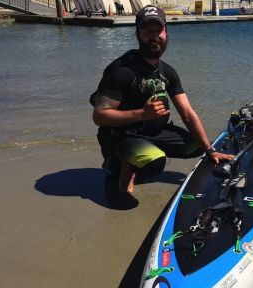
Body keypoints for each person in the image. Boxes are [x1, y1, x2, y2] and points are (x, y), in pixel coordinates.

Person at [91, 5, 234, 205]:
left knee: (196, 146)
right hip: (121, 135)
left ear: (166, 32)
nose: (154, 36)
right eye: (147, 31)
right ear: (137, 34)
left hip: (154, 132)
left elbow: (187, 114)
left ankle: (143, 156)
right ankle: (124, 164)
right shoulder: (121, 70)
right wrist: (142, 113)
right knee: (155, 163)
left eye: (158, 31)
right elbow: (99, 116)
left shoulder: (167, 72)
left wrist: (210, 151)